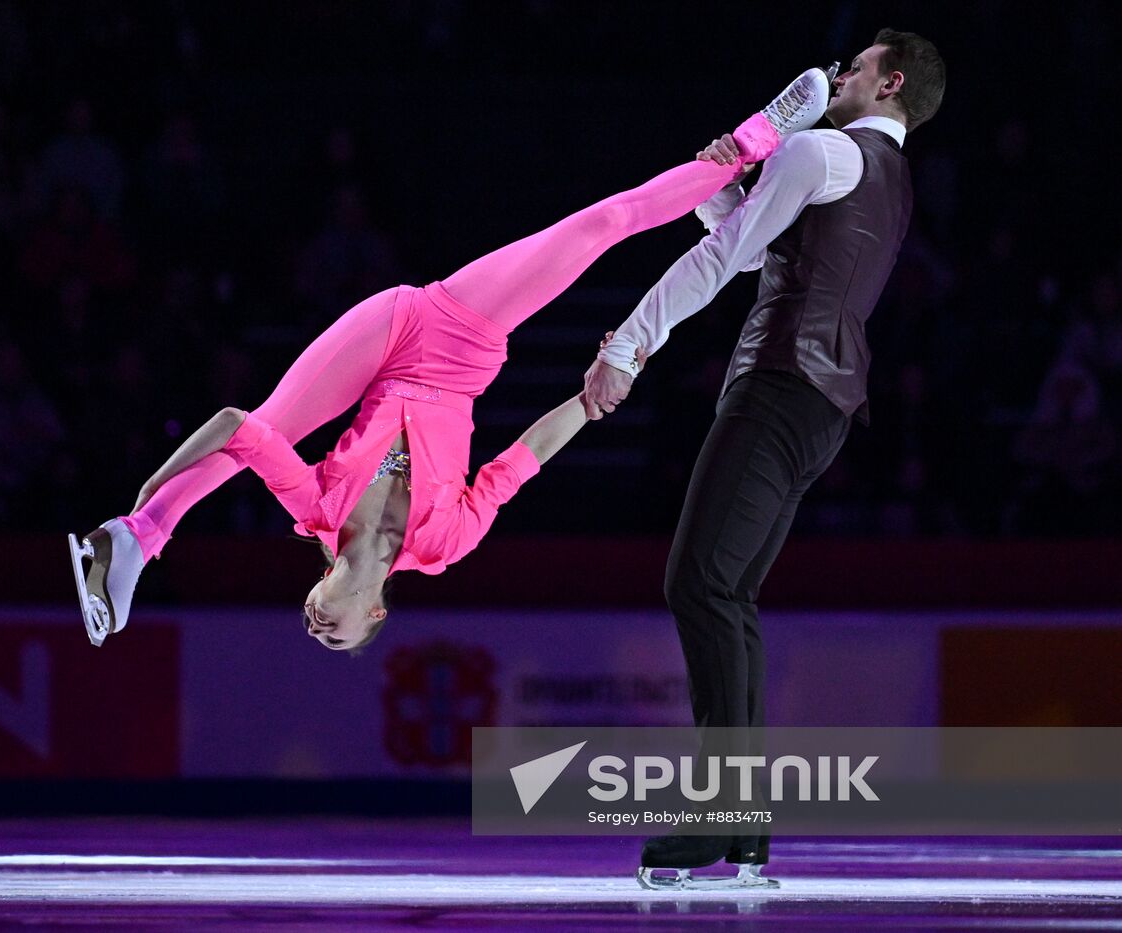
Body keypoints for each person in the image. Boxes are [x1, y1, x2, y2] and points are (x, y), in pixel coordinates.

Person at [68, 67, 836, 650]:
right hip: (460, 344)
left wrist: (156, 485)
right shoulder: (445, 543)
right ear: (375, 612)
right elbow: (520, 461)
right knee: (600, 227)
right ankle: (751, 144)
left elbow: (237, 422)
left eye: (313, 630)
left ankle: (136, 535)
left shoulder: (313, 510)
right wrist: (599, 390)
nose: (317, 627)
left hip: (396, 327)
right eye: (338, 636)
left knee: (263, 424)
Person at [581, 30, 945, 888]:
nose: (835, 73)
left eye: (854, 65)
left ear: (890, 83)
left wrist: (628, 347)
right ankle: (743, 829)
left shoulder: (822, 151)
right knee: (727, 592)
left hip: (780, 386)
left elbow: (723, 258)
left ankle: (718, 813)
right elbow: (767, 245)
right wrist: (726, 190)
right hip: (824, 405)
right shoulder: (886, 179)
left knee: (698, 583)